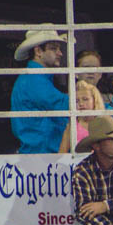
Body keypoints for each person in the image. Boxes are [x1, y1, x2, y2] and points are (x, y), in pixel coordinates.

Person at [11, 26, 69, 154]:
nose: (60, 53)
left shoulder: (35, 78)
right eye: (54, 48)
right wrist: (89, 94)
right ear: (38, 51)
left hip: (39, 152)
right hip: (42, 155)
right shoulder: (34, 79)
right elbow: (62, 104)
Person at [58, 81, 105, 153]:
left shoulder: (104, 123)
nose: (81, 104)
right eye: (77, 101)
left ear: (95, 100)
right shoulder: (72, 126)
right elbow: (61, 153)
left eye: (85, 99)